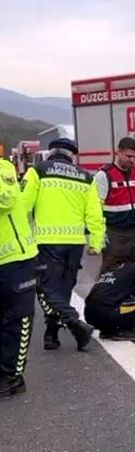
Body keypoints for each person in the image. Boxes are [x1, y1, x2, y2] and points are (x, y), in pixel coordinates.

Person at [21, 138, 104, 351]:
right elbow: (95, 213)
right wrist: (95, 241)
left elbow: (23, 207)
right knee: (64, 288)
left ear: (51, 153)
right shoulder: (86, 177)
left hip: (46, 241)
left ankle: (72, 323)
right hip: (74, 244)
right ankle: (52, 334)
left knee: (48, 288)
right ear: (72, 155)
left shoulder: (38, 171)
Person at [0, 158, 38, 398]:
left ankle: (13, 375)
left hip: (16, 259)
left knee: (18, 319)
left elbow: (6, 199)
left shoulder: (4, 168)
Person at [94, 137, 135, 271]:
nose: (132, 160)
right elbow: (95, 207)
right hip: (113, 231)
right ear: (118, 152)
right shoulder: (104, 175)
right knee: (112, 272)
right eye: (128, 156)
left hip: (133, 231)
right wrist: (98, 233)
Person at [84, 258, 135, 340]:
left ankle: (107, 329)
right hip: (109, 314)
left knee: (110, 302)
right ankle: (120, 329)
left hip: (89, 315)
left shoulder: (108, 268)